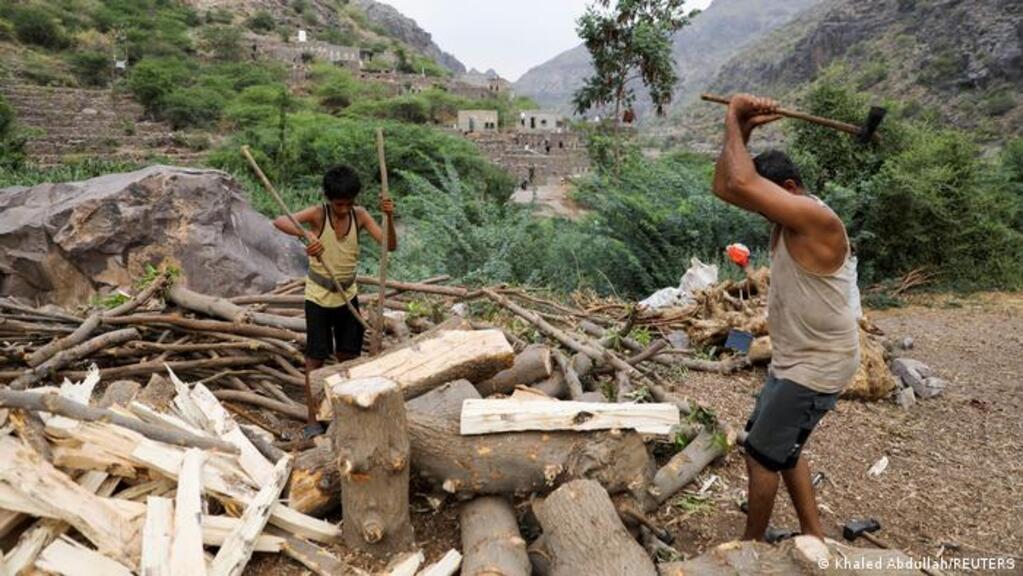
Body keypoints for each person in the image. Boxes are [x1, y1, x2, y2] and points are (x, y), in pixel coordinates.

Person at [710, 94, 860, 542]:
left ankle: (750, 549)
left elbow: (739, 180)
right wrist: (743, 128)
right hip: (795, 359)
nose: (759, 210)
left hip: (817, 364)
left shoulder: (815, 219)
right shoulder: (789, 219)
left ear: (790, 189)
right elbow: (726, 186)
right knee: (782, 448)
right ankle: (813, 535)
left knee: (759, 454)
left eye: (765, 200)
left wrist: (734, 113)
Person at [273, 165, 397, 434]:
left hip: (347, 296)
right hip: (318, 297)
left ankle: (346, 413)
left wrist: (389, 217)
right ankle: (312, 419)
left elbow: (389, 245)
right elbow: (280, 221)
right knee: (315, 359)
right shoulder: (319, 214)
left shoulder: (360, 216)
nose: (343, 210)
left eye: (349, 203)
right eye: (339, 204)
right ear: (329, 199)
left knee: (347, 356)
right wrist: (306, 234)